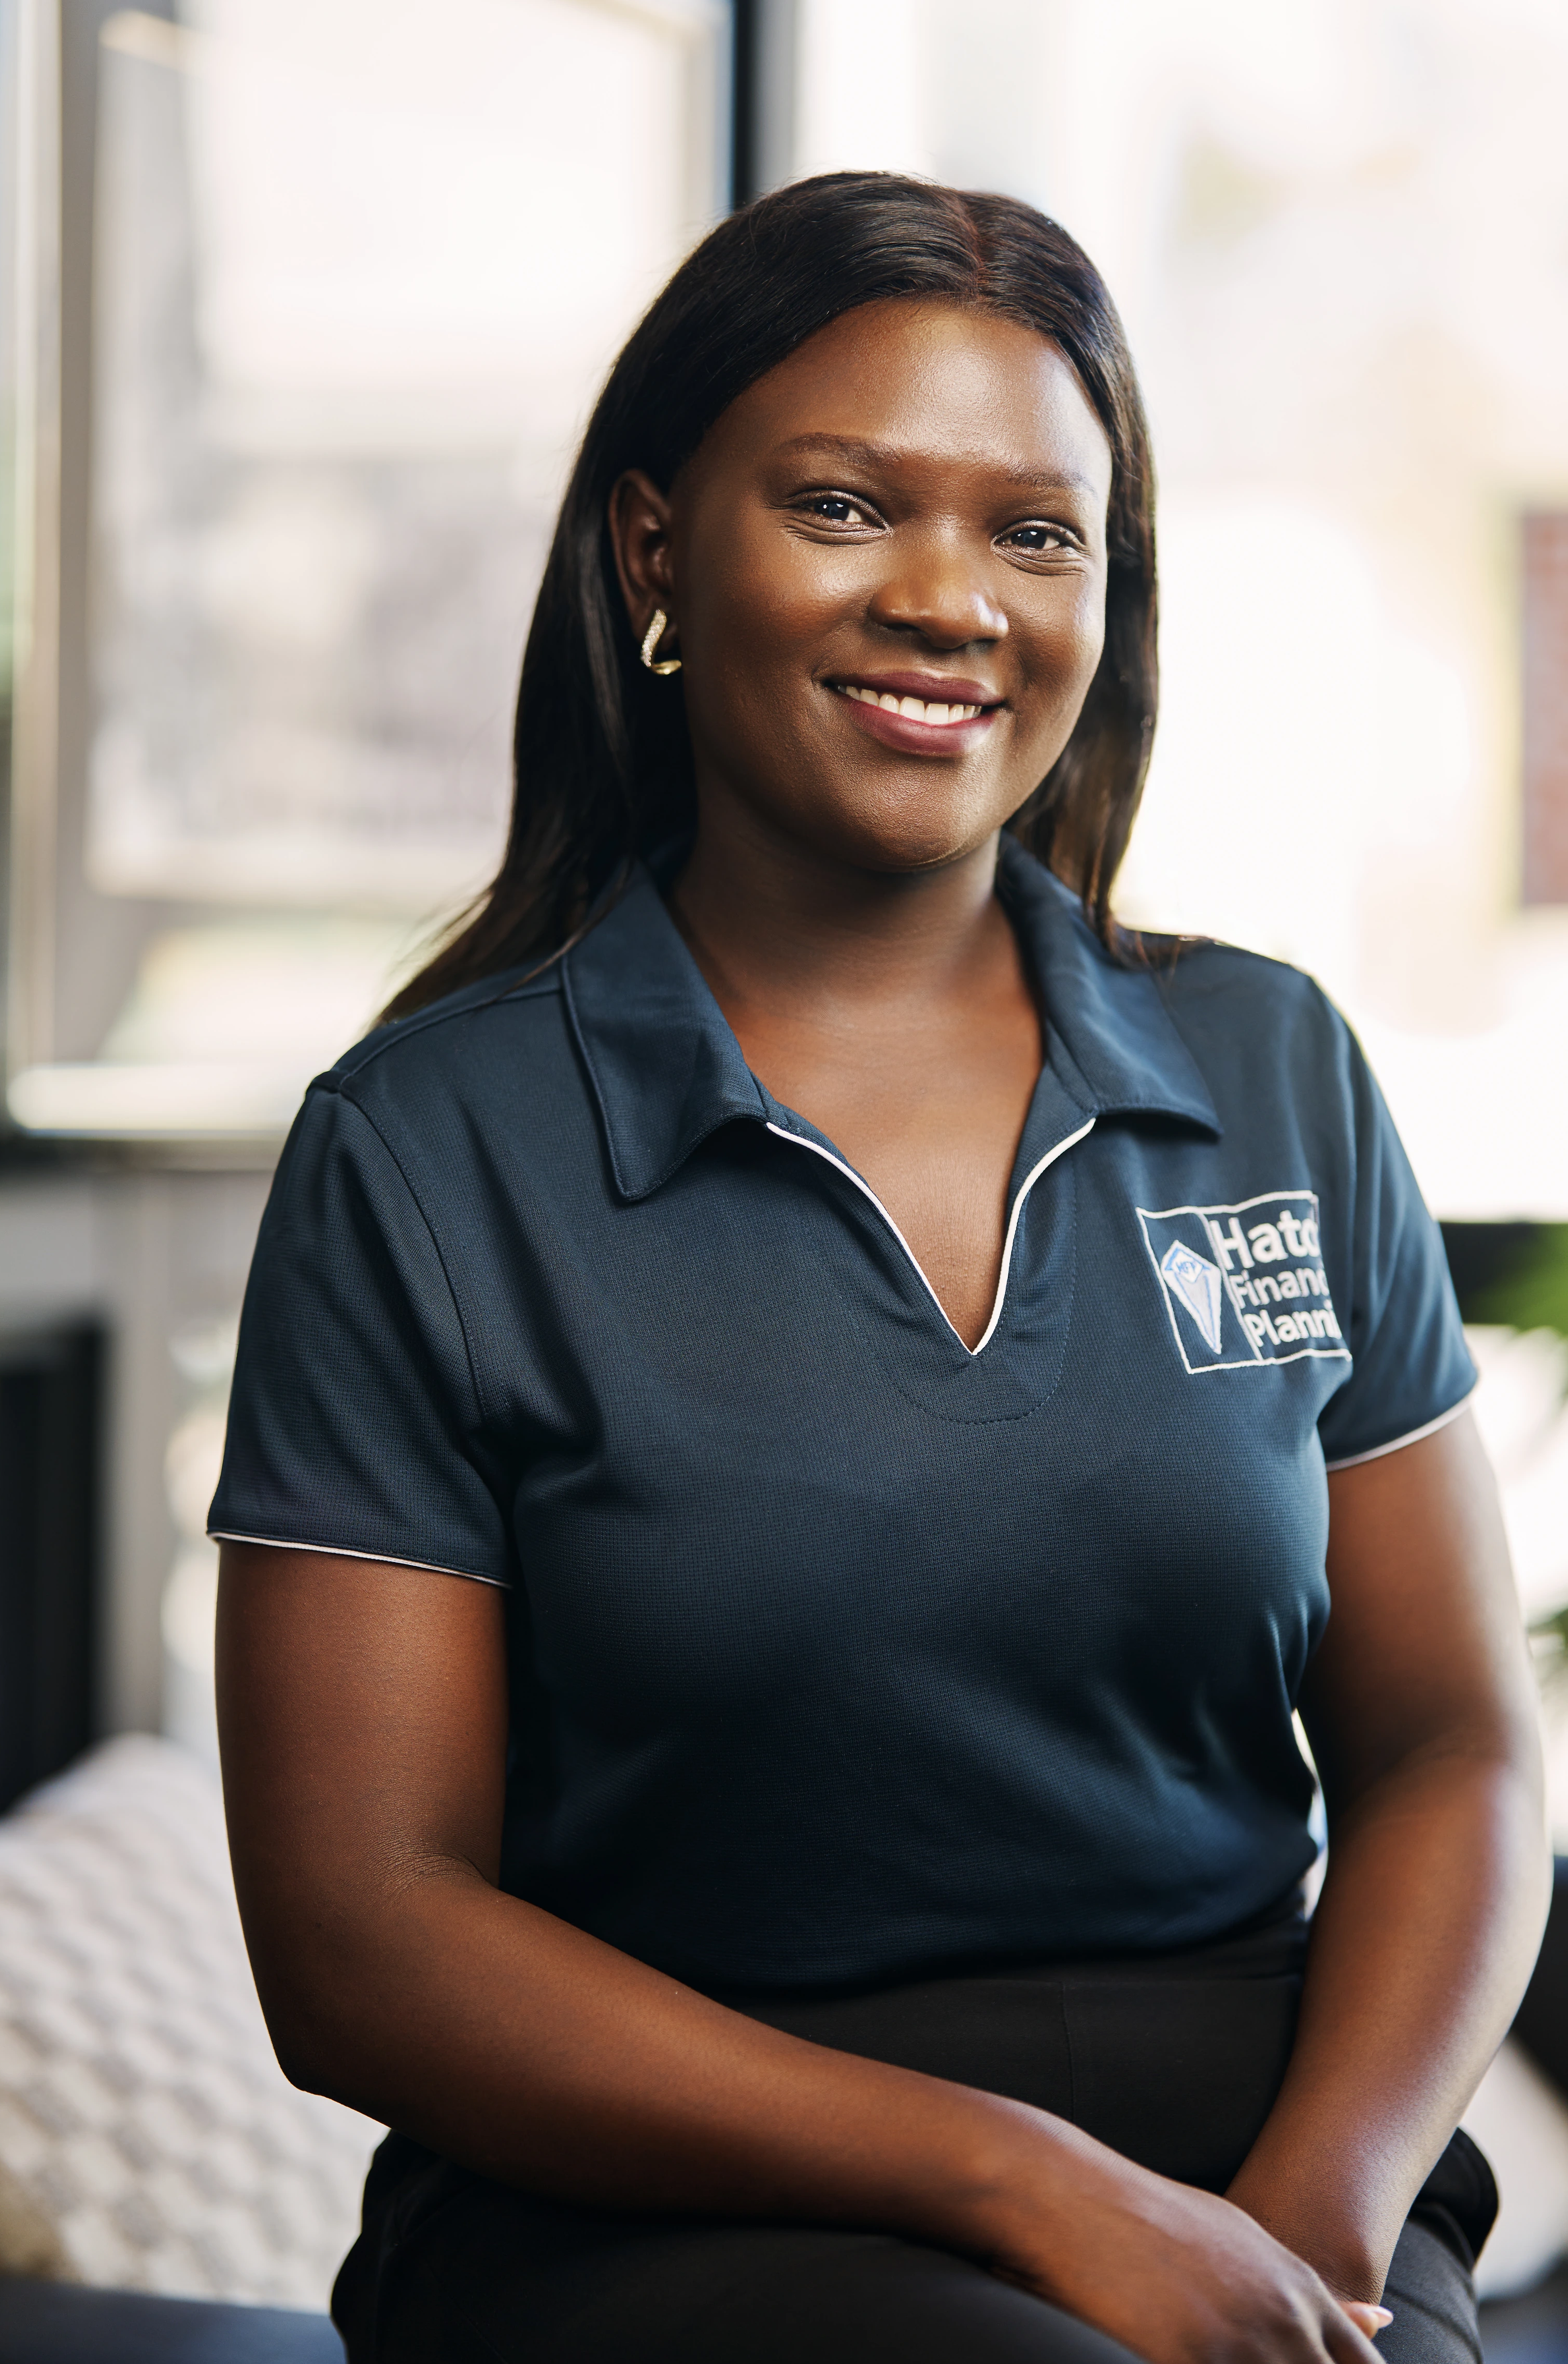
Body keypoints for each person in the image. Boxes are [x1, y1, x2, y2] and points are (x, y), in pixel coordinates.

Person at [210, 174, 1548, 2364]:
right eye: (844, 507)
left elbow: (1450, 1747)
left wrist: (1315, 2229)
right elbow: (365, 1936)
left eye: (1037, 533)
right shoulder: (430, 1151)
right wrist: (1018, 2182)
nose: (950, 600)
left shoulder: (1269, 1063)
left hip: (1253, 2144)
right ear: (658, 551)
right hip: (654, 2201)